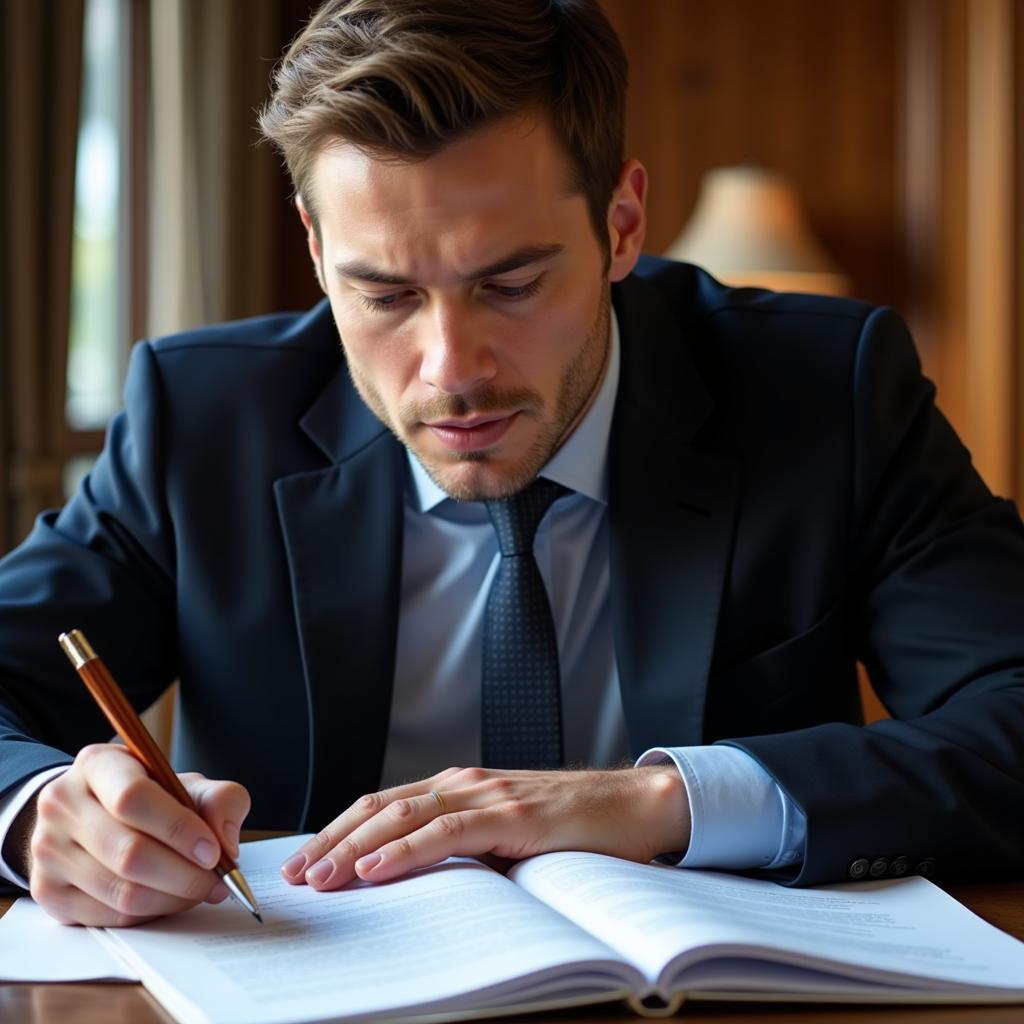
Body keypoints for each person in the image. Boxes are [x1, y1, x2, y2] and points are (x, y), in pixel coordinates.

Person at [1, 0, 1023, 928]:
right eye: (385, 295)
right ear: (316, 252)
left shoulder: (825, 392)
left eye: (512, 283)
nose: (452, 372)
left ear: (621, 226)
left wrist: (655, 798)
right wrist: (39, 811)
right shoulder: (204, 417)